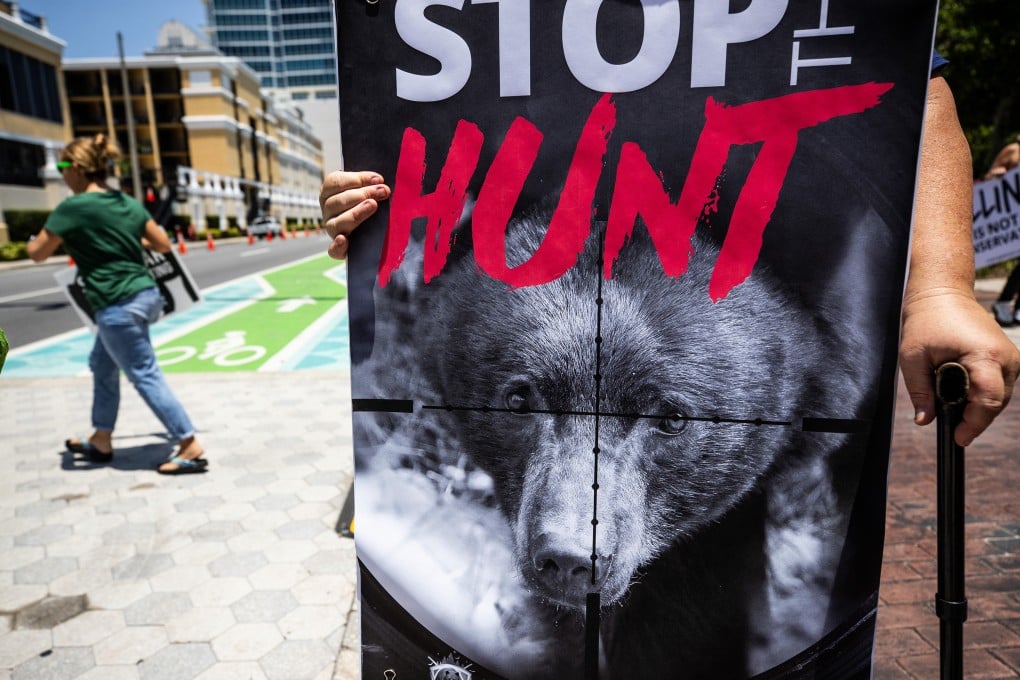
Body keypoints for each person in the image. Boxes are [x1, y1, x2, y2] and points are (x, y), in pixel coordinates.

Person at [318, 73, 1020, 448]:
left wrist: (939, 289)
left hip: (762, 256)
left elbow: (912, 94)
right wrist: (371, 203)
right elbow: (419, 129)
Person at [26, 134, 207, 475]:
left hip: (116, 303)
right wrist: (124, 238)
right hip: (145, 295)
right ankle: (101, 438)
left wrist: (31, 242)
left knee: (143, 373)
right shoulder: (126, 202)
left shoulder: (71, 208)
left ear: (77, 168)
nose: (61, 173)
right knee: (102, 364)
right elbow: (163, 244)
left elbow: (38, 254)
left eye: (63, 166)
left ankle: (189, 444)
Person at [985, 135, 1020, 326]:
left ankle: (1014, 307)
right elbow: (988, 177)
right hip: (1011, 215)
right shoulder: (1013, 150)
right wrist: (996, 175)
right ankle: (1004, 302)